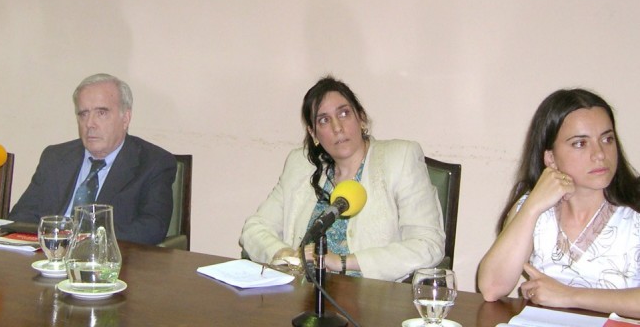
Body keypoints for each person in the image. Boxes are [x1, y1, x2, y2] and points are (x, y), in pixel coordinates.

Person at [239, 75, 444, 281]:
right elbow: (255, 228)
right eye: (324, 120)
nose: (337, 127)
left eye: (344, 113)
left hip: (372, 298)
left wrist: (342, 261)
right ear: (314, 134)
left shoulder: (399, 158)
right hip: (303, 295)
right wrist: (287, 255)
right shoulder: (300, 165)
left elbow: (428, 245)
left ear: (361, 118)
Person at [477, 88, 640, 318]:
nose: (600, 154)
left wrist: (568, 295)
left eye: (607, 139)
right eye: (580, 143)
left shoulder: (634, 211)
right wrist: (532, 206)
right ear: (550, 158)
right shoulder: (534, 206)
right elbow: (492, 288)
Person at [9, 73, 177, 245]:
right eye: (83, 114)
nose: (90, 124)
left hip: (110, 262)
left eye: (101, 113)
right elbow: (21, 217)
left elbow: (151, 229)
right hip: (48, 258)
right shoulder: (55, 157)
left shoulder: (153, 163)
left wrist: (84, 239)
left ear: (125, 118)